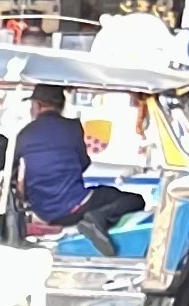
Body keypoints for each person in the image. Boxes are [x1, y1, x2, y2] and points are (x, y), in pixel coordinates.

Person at [11, 82, 143, 251]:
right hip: (76, 207)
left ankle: (94, 219)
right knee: (135, 200)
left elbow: (15, 171)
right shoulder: (72, 128)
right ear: (62, 105)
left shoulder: (24, 134)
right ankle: (98, 218)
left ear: (37, 105)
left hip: (44, 212)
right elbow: (84, 163)